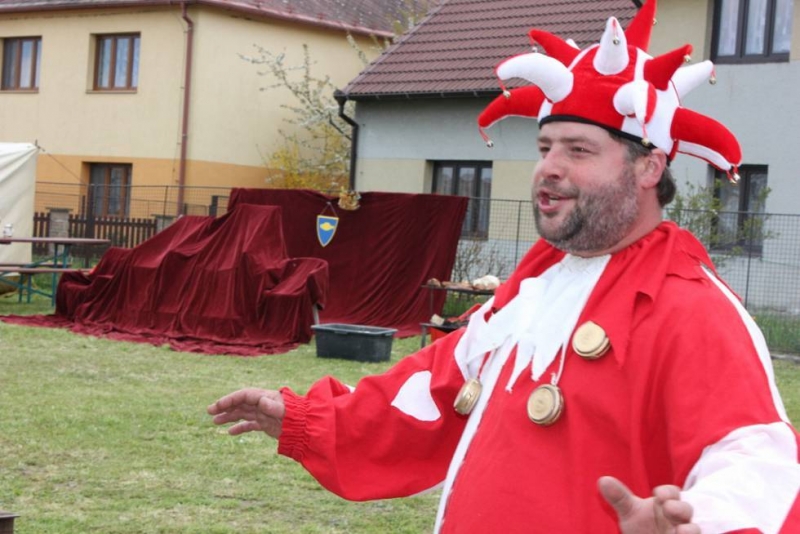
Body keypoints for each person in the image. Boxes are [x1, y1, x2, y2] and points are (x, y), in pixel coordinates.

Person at [208, 1, 800, 532]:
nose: (549, 167)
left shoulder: (690, 307)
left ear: (649, 168)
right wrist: (307, 418)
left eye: (579, 150)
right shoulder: (532, 288)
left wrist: (698, 524)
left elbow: (754, 460)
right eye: (545, 148)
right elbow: (431, 392)